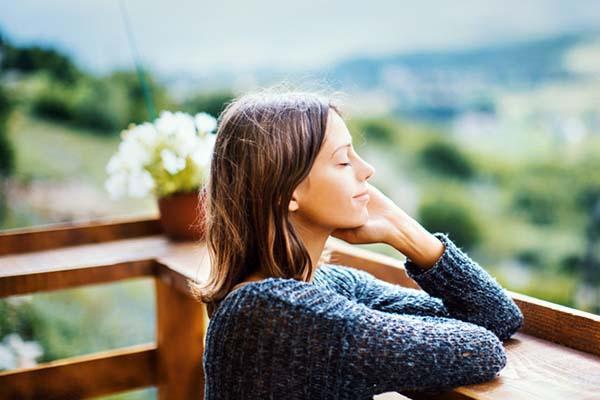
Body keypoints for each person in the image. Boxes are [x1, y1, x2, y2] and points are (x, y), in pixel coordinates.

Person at [189, 87, 524, 399]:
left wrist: (403, 230)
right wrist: (399, 224)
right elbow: (480, 349)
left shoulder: (330, 285)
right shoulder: (268, 312)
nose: (367, 170)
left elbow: (496, 317)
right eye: (343, 160)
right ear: (286, 192)